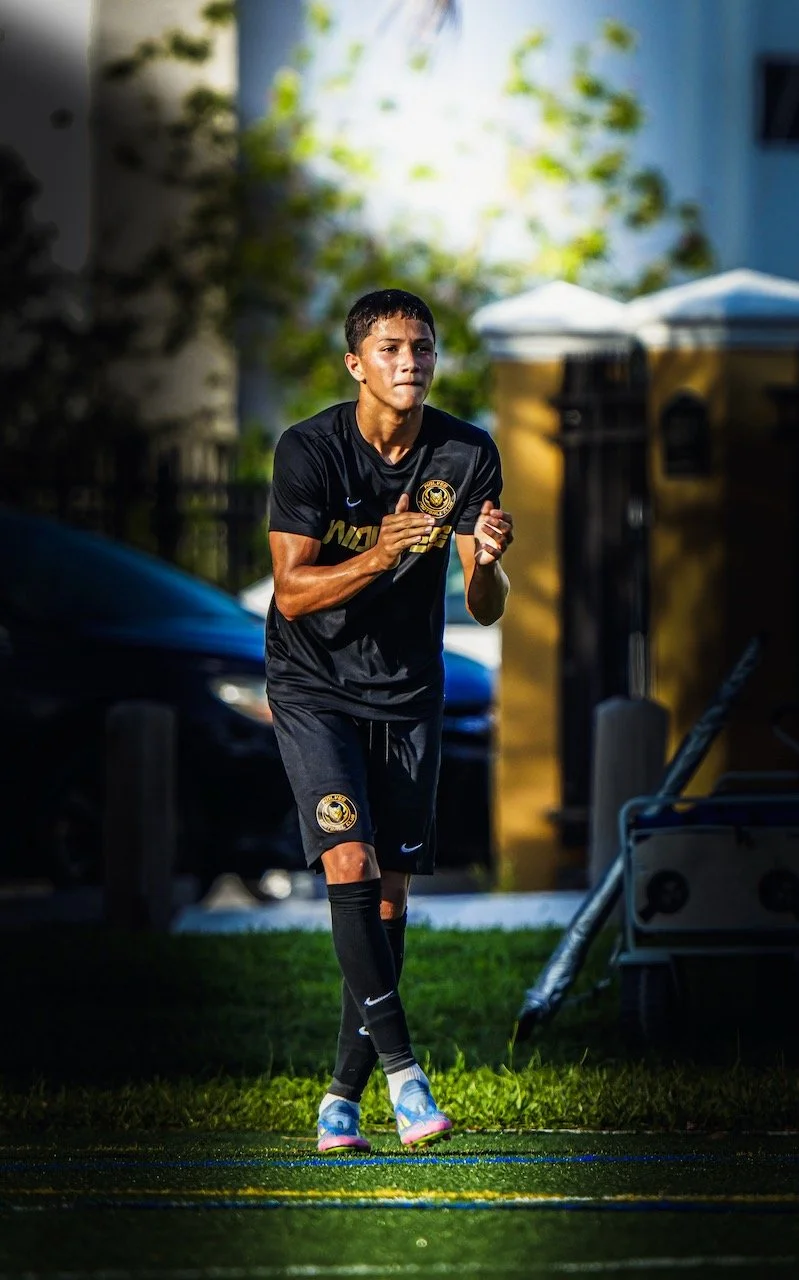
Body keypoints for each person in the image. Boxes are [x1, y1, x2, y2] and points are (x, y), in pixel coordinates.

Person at [266, 288, 513, 1153]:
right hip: (314, 686)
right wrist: (378, 551)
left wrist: (486, 562)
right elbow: (291, 593)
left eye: (422, 348)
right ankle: (407, 1080)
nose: (410, 362)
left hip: (408, 692)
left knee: (389, 893)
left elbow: (485, 606)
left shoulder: (466, 451)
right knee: (349, 856)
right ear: (355, 364)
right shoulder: (308, 450)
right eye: (391, 348)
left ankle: (341, 1097)